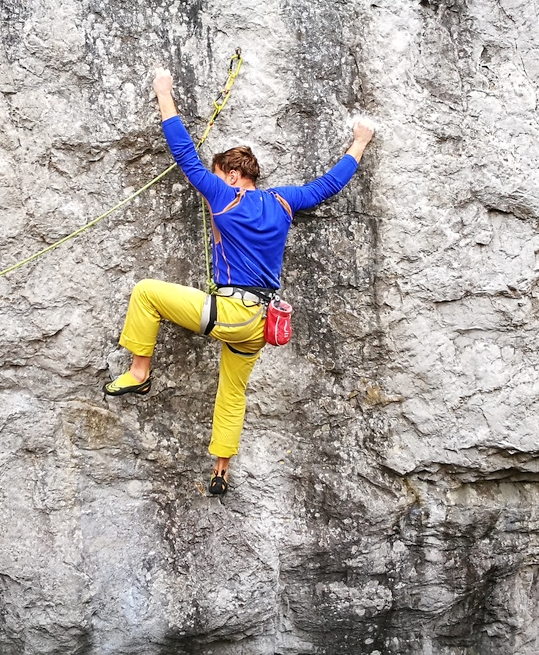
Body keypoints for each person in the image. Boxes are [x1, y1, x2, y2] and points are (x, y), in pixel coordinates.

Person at [103, 67, 375, 496]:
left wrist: (164, 93)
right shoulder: (284, 200)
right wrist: (359, 141)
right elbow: (328, 184)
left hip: (231, 311)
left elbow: (184, 155)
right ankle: (220, 469)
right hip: (261, 324)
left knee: (146, 292)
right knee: (232, 392)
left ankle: (139, 372)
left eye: (217, 175)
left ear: (230, 176)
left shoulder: (224, 196)